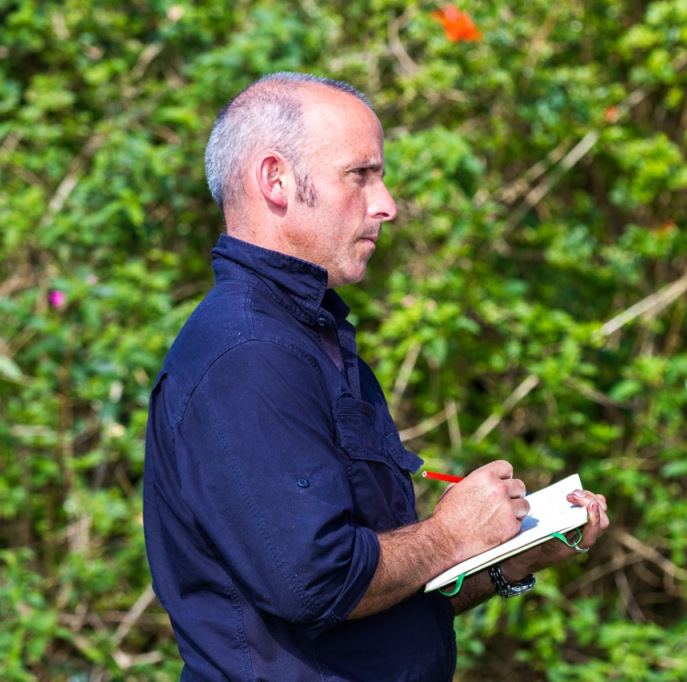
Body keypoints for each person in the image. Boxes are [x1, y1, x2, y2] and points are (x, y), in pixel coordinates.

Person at [143, 71, 610, 681]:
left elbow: (374, 604)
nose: (386, 203)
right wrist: (448, 535)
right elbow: (316, 584)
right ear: (275, 180)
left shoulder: (311, 336)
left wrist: (505, 559)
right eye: (360, 175)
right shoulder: (248, 355)